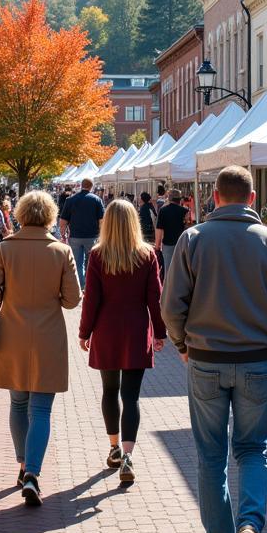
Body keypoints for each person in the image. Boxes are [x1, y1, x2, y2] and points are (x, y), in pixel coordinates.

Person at [161, 165, 267, 533]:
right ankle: (250, 524)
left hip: (206, 358)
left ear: (215, 198)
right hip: (257, 359)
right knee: (253, 449)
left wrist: (183, 344)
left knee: (209, 455)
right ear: (253, 199)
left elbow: (171, 306)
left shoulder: (194, 239)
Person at [0, 191, 81, 506]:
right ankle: (33, 474)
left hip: (12, 335)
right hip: (49, 337)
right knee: (41, 409)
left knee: (18, 404)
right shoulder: (61, 251)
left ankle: (23, 464)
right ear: (50, 216)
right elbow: (72, 300)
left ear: (20, 215)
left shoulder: (4, 249)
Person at [79, 200, 166, 483]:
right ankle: (128, 454)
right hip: (137, 330)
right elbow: (156, 298)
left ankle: (114, 447)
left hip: (106, 330)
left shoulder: (97, 256)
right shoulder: (147, 255)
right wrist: (162, 332)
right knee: (131, 396)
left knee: (109, 390)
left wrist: (84, 332)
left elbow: (91, 300)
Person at [59, 177, 105, 290]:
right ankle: (89, 285)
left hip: (75, 236)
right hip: (92, 236)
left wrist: (63, 234)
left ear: (81, 185)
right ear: (91, 186)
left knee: (77, 263)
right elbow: (102, 221)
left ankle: (80, 285)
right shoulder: (97, 200)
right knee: (91, 262)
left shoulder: (70, 200)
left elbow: (63, 221)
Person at [155, 188, 189, 276]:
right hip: (182, 244)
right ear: (180, 199)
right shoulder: (185, 211)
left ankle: (168, 289)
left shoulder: (163, 211)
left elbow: (159, 229)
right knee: (182, 271)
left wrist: (157, 246)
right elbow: (187, 227)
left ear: (169, 198)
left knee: (168, 272)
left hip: (168, 244)